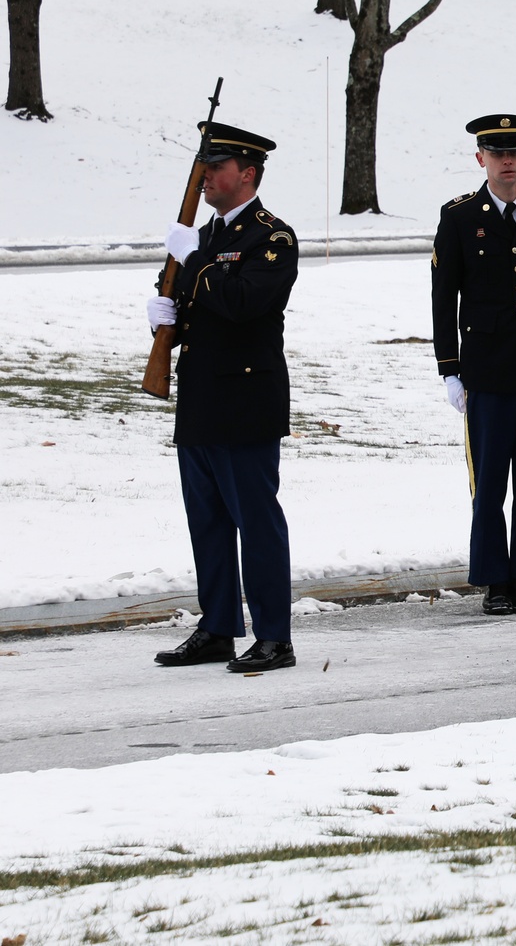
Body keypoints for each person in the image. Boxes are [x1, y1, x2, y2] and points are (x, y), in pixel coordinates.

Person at [148, 121, 299, 672]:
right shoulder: (206, 238)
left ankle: (274, 637)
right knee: (207, 521)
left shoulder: (273, 237)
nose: (206, 177)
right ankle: (216, 627)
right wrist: (165, 319)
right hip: (201, 399)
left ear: (248, 173)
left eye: (217, 167)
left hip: (246, 399)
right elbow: (195, 312)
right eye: (204, 167)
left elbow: (241, 304)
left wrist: (192, 262)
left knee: (256, 521)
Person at [431, 114, 516, 615]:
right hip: (484, 371)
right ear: (480, 158)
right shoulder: (460, 215)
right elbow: (445, 296)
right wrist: (449, 367)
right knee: (488, 483)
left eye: (515, 152)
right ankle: (491, 580)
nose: (507, 161)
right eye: (497, 152)